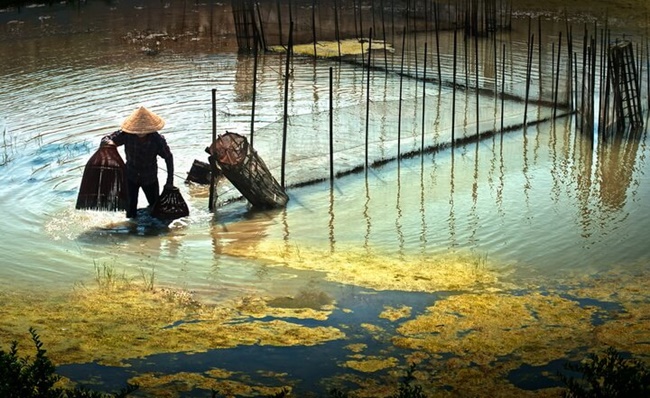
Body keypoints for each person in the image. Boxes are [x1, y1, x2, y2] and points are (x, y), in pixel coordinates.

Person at [101, 106, 174, 218]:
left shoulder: (157, 139)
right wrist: (109, 143)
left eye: (143, 130)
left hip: (150, 177)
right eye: (138, 130)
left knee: (154, 207)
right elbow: (106, 139)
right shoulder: (126, 134)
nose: (140, 132)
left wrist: (170, 181)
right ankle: (132, 229)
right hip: (131, 176)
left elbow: (168, 158)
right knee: (130, 210)